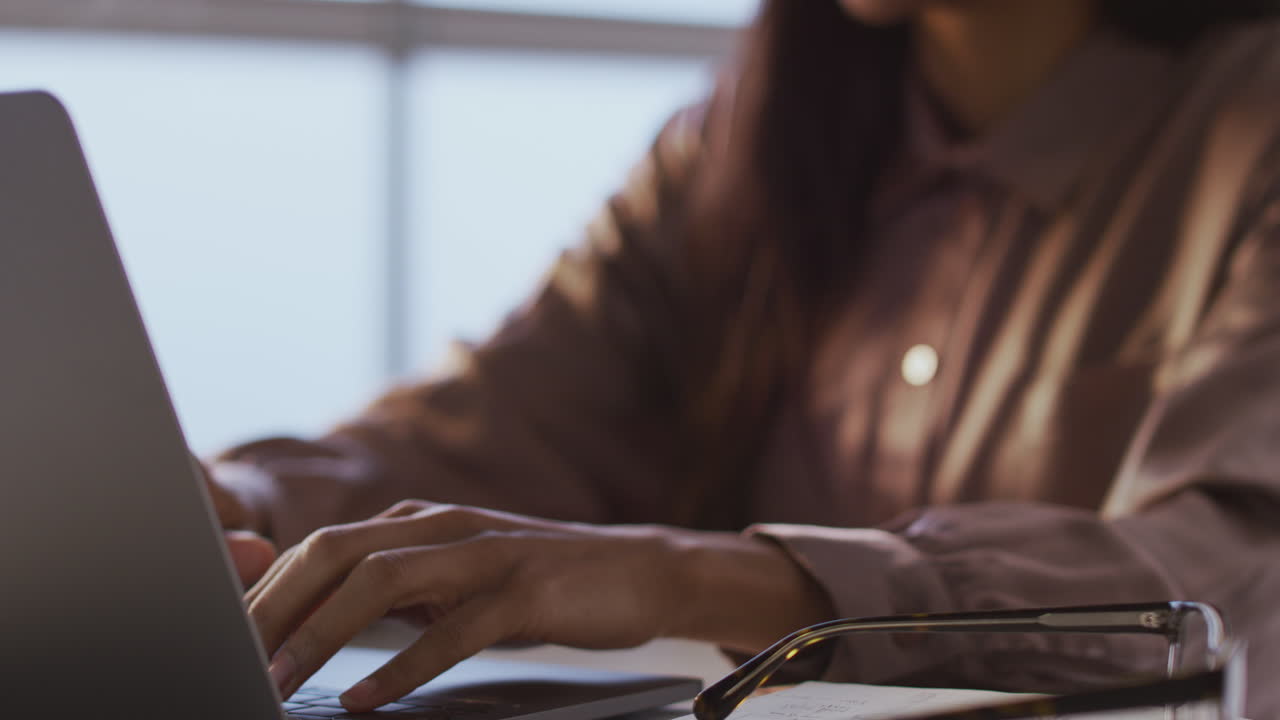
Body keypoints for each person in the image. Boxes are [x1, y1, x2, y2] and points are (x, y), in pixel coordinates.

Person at [208, 0, 1280, 716]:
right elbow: (508, 417)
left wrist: (686, 577)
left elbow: (1220, 576)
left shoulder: (1246, 137)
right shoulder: (741, 146)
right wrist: (233, 504)